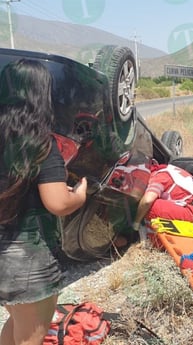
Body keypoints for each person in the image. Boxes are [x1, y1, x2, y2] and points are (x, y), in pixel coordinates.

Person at [0, 59, 87, 344]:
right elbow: (58, 204)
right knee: (31, 335)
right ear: (41, 94)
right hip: (28, 262)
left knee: (16, 321)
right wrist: (80, 194)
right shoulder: (40, 145)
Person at [132, 163, 193, 239]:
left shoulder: (159, 177)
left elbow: (147, 201)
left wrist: (136, 222)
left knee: (151, 207)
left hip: (191, 213)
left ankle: (153, 241)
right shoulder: (169, 171)